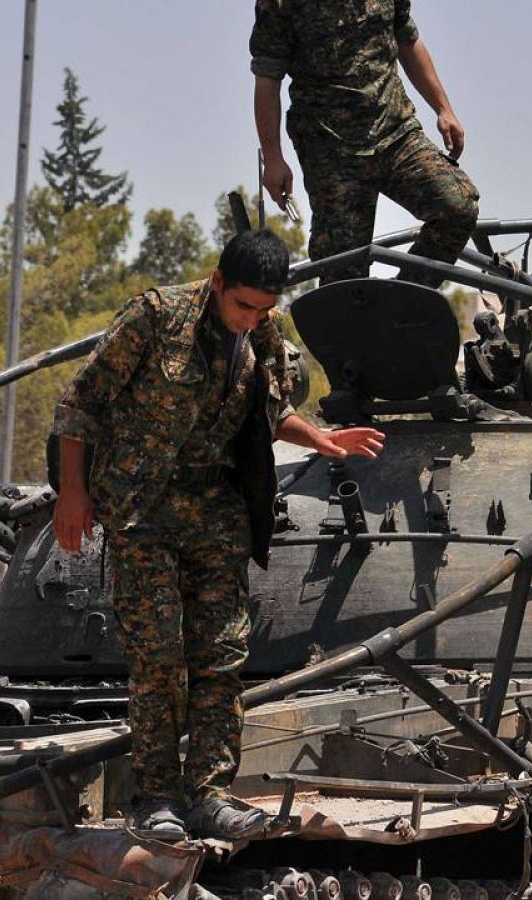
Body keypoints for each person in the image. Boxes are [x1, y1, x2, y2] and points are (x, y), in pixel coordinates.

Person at [50, 230, 384, 840]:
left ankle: (209, 793)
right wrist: (73, 492)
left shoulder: (262, 334)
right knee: (158, 657)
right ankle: (155, 798)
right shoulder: (156, 317)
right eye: (242, 306)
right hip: (143, 507)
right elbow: (81, 402)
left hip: (217, 510)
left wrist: (324, 440)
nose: (251, 319)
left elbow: (271, 412)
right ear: (217, 283)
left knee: (220, 657)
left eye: (263, 309)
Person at [251, 0, 479, 286]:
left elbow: (407, 41)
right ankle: (357, 327)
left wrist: (443, 108)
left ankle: (400, 307)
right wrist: (273, 158)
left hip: (396, 133)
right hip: (331, 150)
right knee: (343, 269)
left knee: (457, 208)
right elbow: (267, 79)